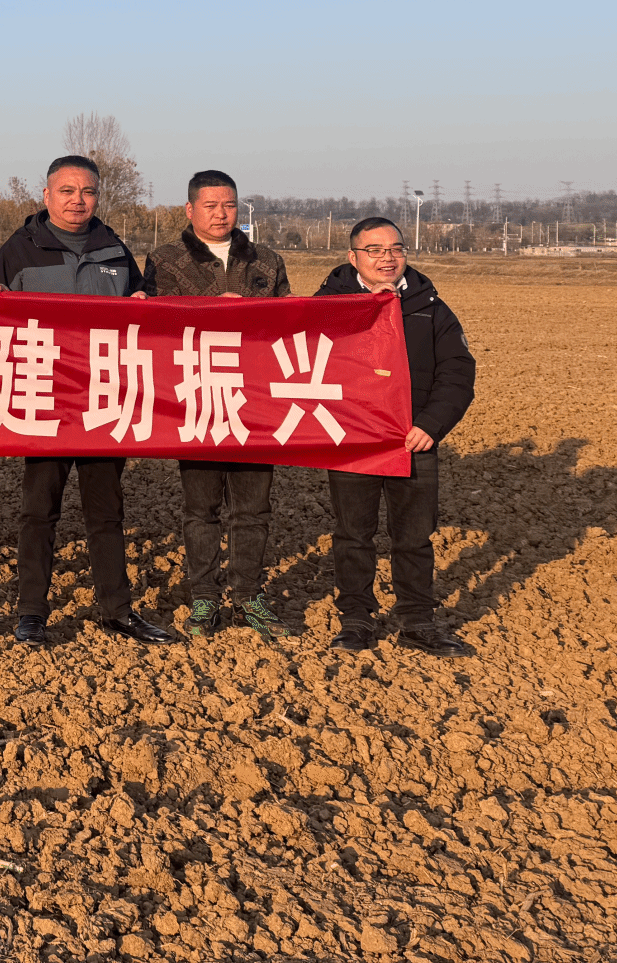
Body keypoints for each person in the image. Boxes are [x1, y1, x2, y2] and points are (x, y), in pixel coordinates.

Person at [0, 156, 175, 647]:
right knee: (38, 512)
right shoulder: (19, 249)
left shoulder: (114, 248)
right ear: (46, 196)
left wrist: (142, 303)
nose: (78, 200)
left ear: (98, 196)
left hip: (102, 400)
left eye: (87, 191)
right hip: (44, 399)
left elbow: (144, 317)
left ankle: (117, 610)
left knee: (106, 512)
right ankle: (32, 612)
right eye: (67, 191)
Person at [141, 170, 294, 642]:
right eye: (210, 206)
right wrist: (213, 306)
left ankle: (248, 593)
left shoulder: (266, 261)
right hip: (198, 396)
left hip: (254, 401)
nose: (220, 214)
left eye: (228, 205)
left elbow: (288, 323)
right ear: (190, 210)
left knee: (253, 508)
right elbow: (156, 324)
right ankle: (204, 594)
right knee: (201, 507)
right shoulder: (165, 260)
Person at [316, 218, 478, 657]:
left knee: (414, 536)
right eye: (374, 250)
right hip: (353, 441)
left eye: (395, 248)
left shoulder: (430, 307)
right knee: (353, 534)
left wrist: (431, 425)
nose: (387, 257)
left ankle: (417, 620)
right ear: (353, 258)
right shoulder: (327, 306)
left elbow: (457, 373)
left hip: (413, 440)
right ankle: (356, 620)